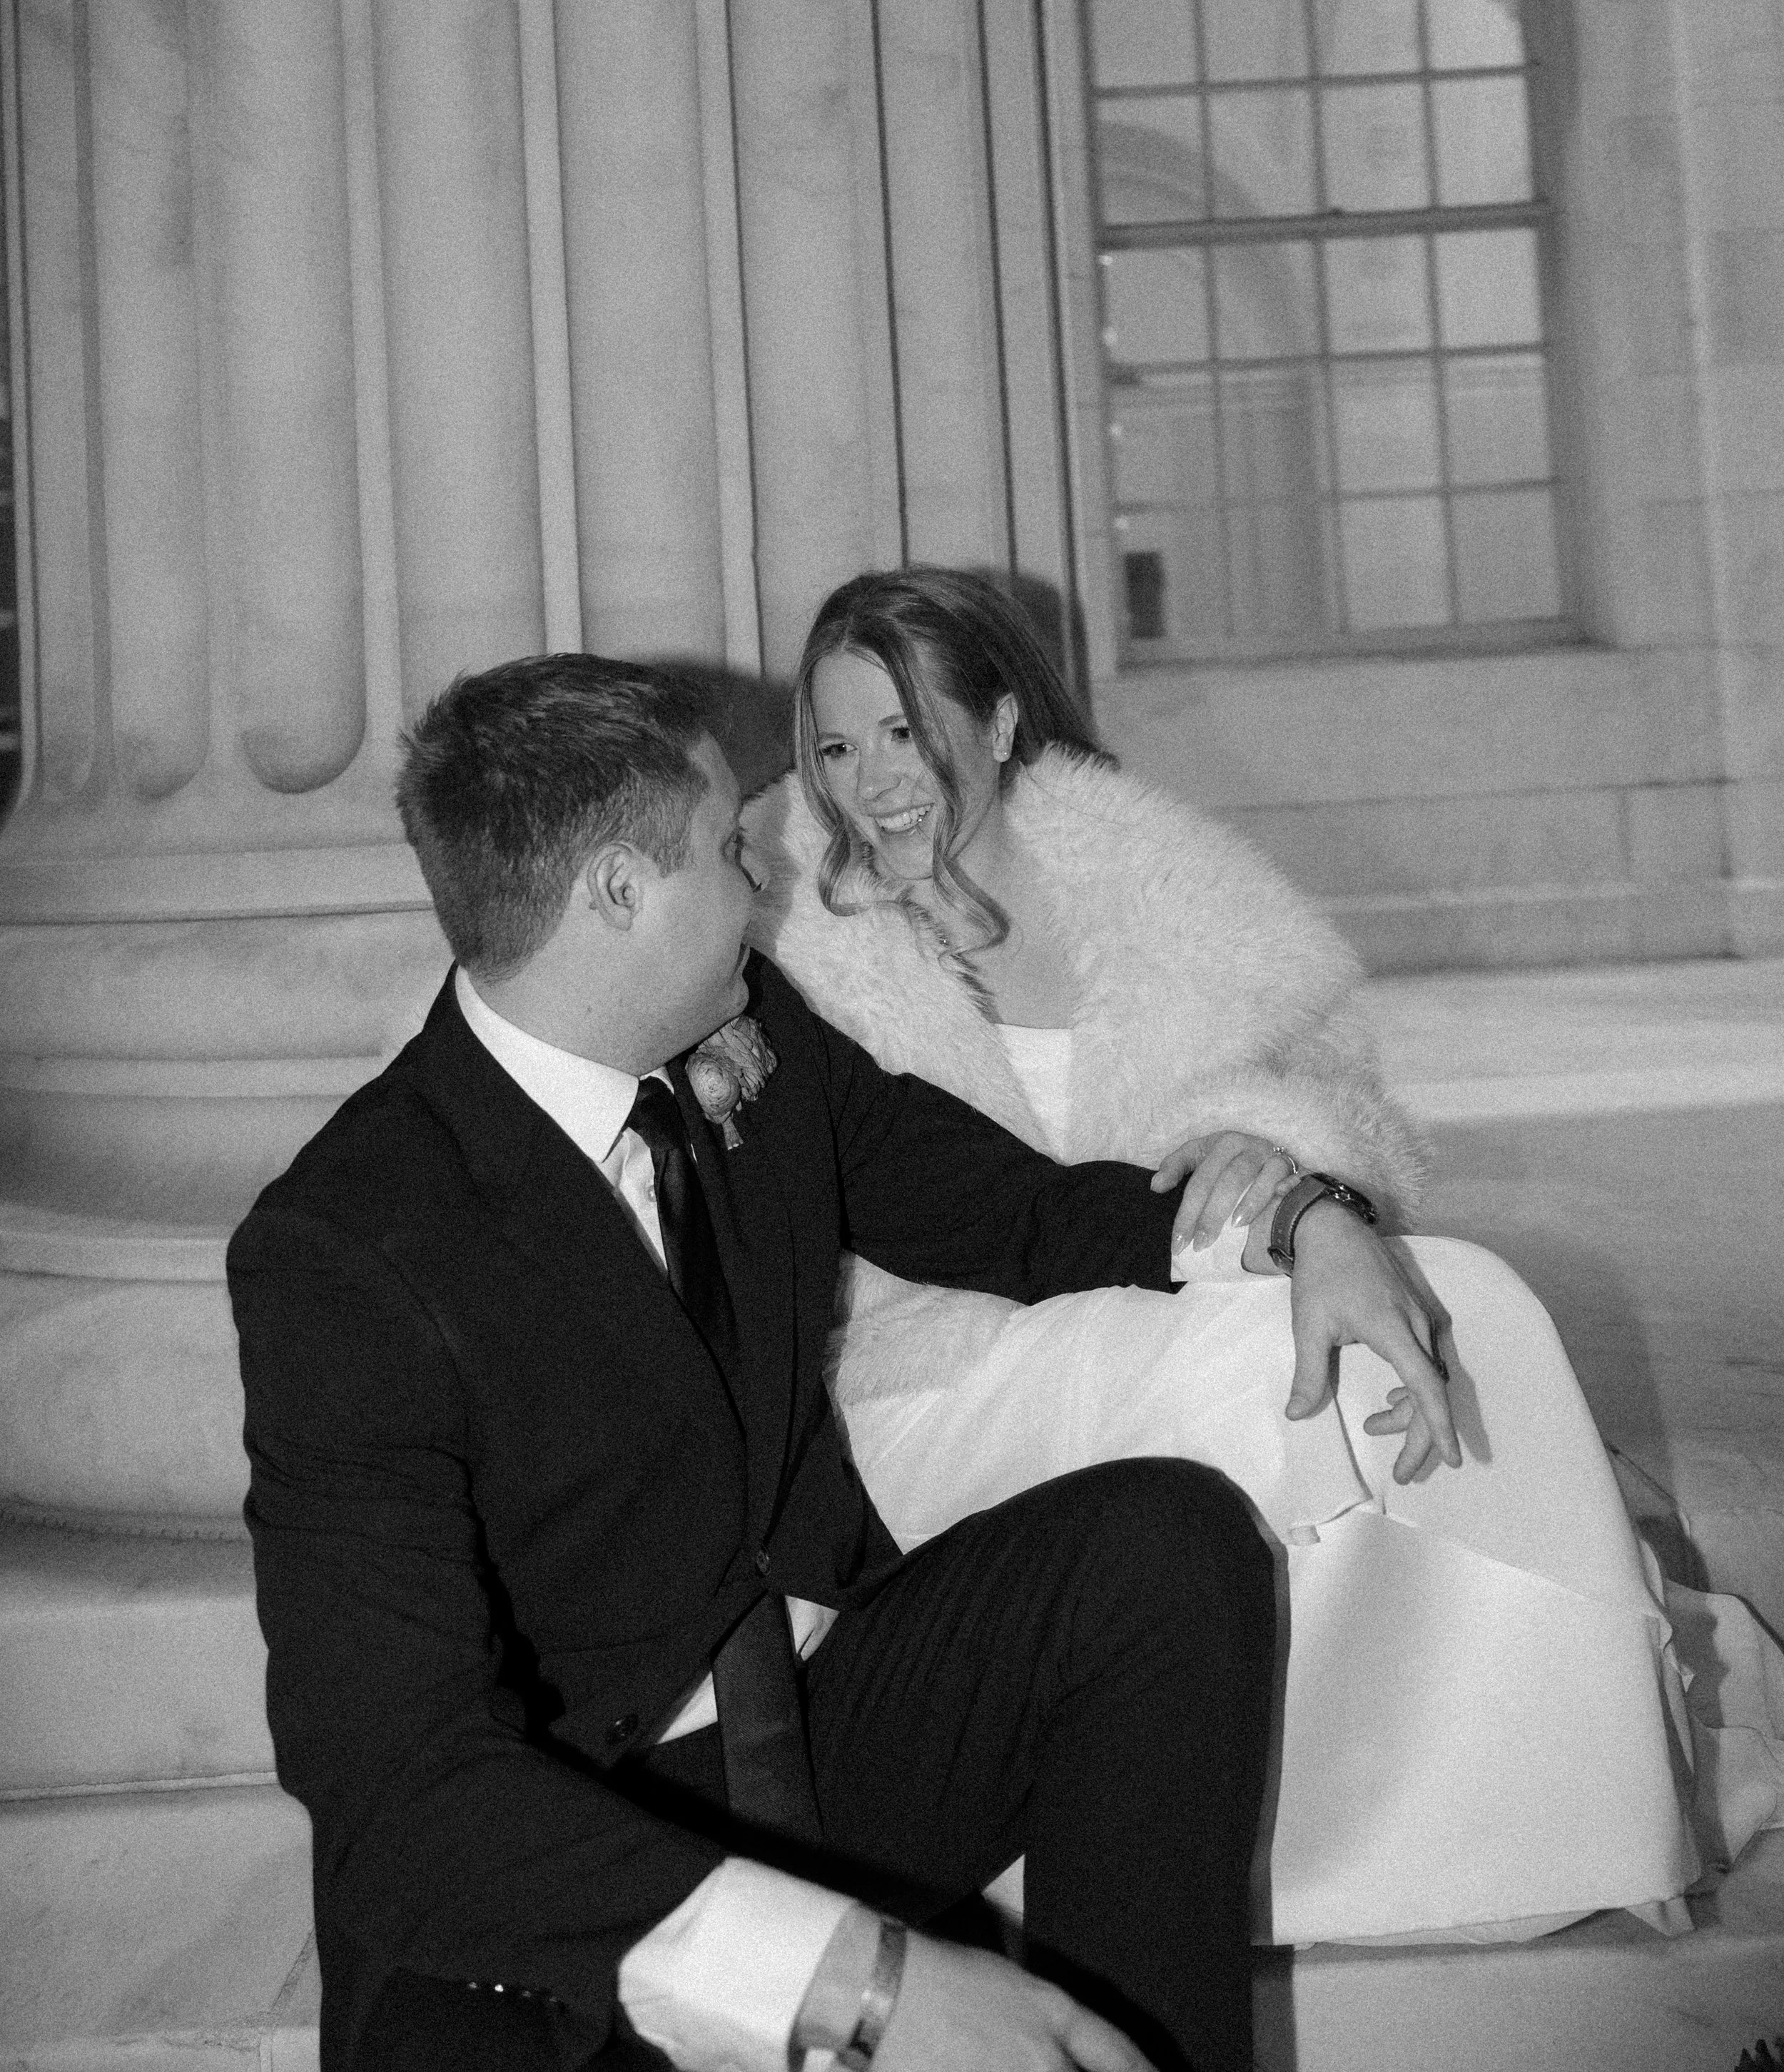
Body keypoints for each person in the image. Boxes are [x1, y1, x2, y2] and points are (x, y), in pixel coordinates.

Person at [233, 651, 1460, 2072]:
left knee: (1161, 1547)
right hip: (582, 1870)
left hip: (820, 1725)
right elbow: (397, 1790)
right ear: (616, 895)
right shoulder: (345, 1250)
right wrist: (859, 1982)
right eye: (727, 853)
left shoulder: (744, 1034)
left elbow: (1008, 1209)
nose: (766, 888)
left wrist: (1310, 1213)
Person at [741, 567, 1712, 1949]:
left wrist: (1268, 1156)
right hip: (933, 1363)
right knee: (1255, 1365)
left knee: (1469, 1303)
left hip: (1166, 1270)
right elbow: (890, 1207)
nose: (869, 782)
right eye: (834, 747)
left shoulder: (1154, 880)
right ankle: (1302, 1845)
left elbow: (1331, 1093)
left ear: (1003, 720)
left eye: (905, 733)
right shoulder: (782, 926)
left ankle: (1561, 1809)